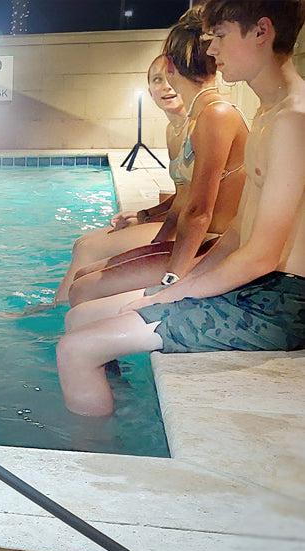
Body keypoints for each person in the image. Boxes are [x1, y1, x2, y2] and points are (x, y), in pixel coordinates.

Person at [56, 0, 305, 417]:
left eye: (221, 36)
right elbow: (238, 234)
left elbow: (261, 255)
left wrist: (178, 291)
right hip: (259, 287)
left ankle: (102, 468)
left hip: (283, 303)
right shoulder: (267, 116)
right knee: (78, 320)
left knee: (74, 351)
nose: (211, 52)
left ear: (262, 32)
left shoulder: (292, 123)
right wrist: (170, 288)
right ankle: (118, 410)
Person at [66, 6, 249, 313]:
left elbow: (199, 212)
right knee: (84, 278)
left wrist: (172, 280)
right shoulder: (198, 117)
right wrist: (154, 242)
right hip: (201, 242)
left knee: (84, 289)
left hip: (215, 248)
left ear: (169, 65)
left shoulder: (216, 115)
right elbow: (184, 204)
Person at [55, 56, 188, 303]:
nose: (167, 86)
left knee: (88, 249)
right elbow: (183, 194)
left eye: (172, 77)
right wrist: (145, 215)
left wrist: (154, 238)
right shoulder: (173, 131)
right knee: (82, 243)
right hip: (179, 223)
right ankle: (57, 308)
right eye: (158, 80)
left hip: (196, 232)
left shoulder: (200, 125)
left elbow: (200, 205)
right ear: (149, 90)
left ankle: (55, 314)